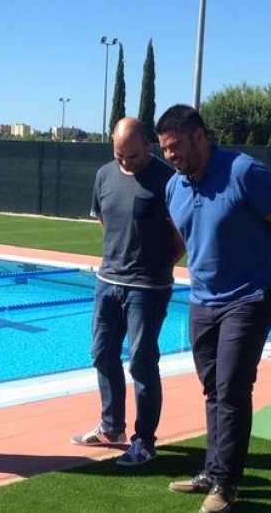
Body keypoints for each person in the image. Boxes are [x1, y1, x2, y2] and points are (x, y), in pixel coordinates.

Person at [155, 104, 271, 513]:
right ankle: (212, 471)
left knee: (233, 387)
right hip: (203, 300)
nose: (170, 156)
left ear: (200, 136)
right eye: (165, 150)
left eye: (176, 146)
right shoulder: (175, 186)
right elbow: (185, 238)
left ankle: (226, 485)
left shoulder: (244, 172)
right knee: (213, 387)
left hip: (250, 296)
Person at [71, 117, 185, 466]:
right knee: (102, 354)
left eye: (132, 156)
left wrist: (156, 266)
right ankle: (112, 427)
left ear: (148, 145)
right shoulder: (105, 174)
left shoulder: (168, 180)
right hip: (108, 281)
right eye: (120, 155)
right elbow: (105, 221)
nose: (126, 162)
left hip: (148, 288)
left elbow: (182, 236)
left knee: (142, 363)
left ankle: (145, 441)